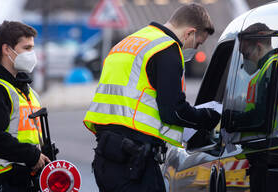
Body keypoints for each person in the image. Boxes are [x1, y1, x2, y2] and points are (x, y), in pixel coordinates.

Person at [83, 3, 220, 192]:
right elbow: (173, 112)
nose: (194, 49)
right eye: (197, 44)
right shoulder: (166, 49)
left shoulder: (127, 43)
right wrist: (209, 117)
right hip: (133, 161)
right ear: (189, 33)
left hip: (106, 157)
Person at [0, 21, 50, 192]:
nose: (32, 54)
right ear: (7, 49)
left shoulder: (26, 90)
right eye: (26, 48)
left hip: (27, 180)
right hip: (0, 181)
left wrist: (44, 155)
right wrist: (32, 155)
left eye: (32, 48)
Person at [229, 23, 278, 192]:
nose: (245, 60)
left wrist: (233, 119)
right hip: (270, 158)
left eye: (246, 54)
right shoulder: (267, 69)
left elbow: (262, 116)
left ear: (258, 47)